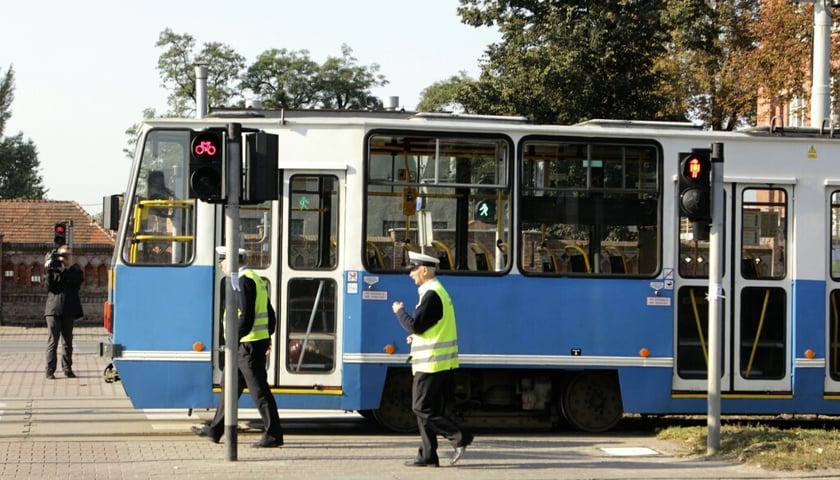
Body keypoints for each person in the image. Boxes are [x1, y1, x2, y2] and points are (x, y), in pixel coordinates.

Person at [191, 246, 284, 448]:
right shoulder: (255, 278)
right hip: (250, 343)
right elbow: (270, 313)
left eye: (222, 260)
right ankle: (215, 429)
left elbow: (247, 315)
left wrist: (234, 339)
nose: (220, 265)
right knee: (229, 386)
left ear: (232, 260)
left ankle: (273, 434)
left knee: (259, 390)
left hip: (247, 345)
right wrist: (267, 335)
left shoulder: (244, 280)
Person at [391, 251, 473, 467]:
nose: (411, 274)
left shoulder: (432, 294)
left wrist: (399, 311)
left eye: (413, 270)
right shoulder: (435, 292)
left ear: (425, 270)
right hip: (434, 361)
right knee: (426, 410)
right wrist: (416, 337)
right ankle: (427, 455)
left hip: (432, 362)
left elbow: (415, 325)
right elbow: (428, 327)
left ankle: (459, 436)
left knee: (421, 408)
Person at [44, 244, 84, 379]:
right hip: (53, 310)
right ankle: (50, 370)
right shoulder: (53, 270)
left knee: (68, 342)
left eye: (69, 255)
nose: (67, 257)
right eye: (64, 255)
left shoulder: (75, 271)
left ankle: (67, 369)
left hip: (69, 310)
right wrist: (48, 269)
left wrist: (63, 270)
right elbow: (48, 287)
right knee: (53, 341)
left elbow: (76, 283)